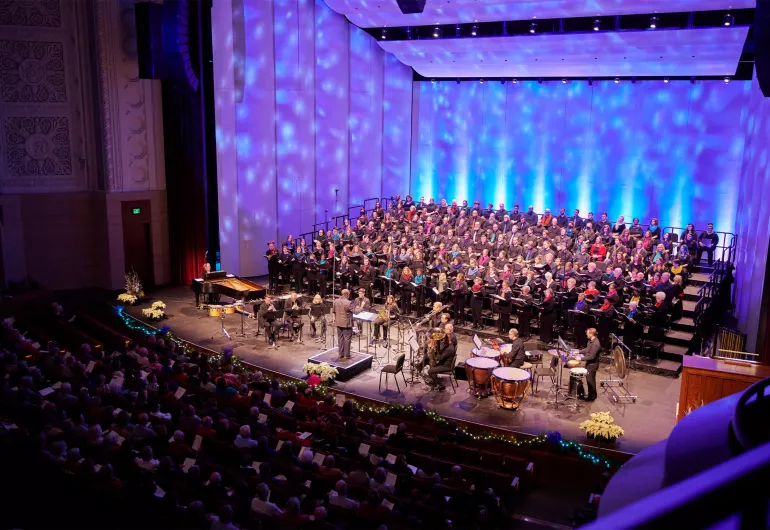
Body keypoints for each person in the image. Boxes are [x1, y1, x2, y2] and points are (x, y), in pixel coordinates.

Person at [578, 328, 601, 401]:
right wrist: (579, 352)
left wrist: (580, 359)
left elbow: (592, 356)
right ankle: (592, 395)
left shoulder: (595, 344)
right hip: (589, 363)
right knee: (589, 380)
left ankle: (592, 397)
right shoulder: (591, 341)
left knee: (590, 381)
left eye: (587, 333)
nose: (586, 335)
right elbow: (587, 349)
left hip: (593, 365)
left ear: (591, 334)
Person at [333, 289, 353, 360]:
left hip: (338, 322)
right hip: (346, 323)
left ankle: (340, 354)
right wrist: (361, 308)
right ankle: (346, 355)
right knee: (347, 339)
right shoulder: (349, 302)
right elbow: (354, 311)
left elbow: (334, 311)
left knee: (340, 338)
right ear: (347, 294)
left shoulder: (336, 301)